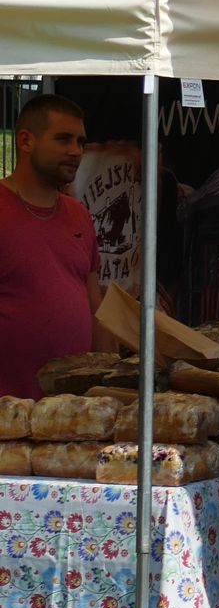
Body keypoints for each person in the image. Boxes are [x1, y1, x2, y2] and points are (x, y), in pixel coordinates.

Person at [0, 94, 104, 400]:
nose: (75, 151)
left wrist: (110, 383)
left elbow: (94, 306)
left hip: (72, 415)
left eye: (81, 142)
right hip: (8, 417)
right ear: (25, 140)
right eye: (63, 139)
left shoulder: (79, 214)